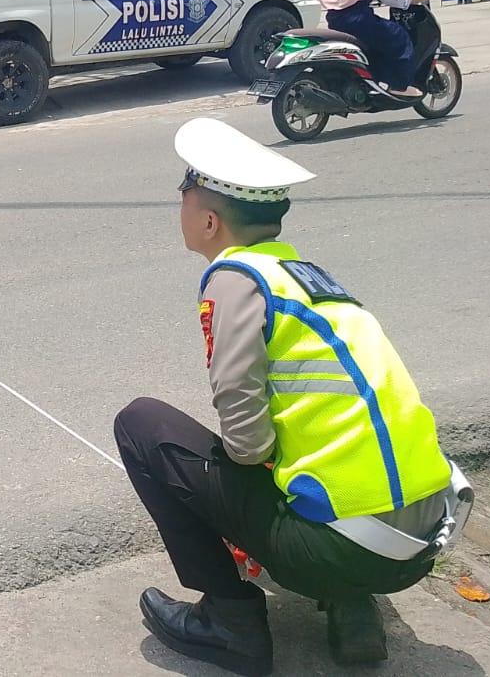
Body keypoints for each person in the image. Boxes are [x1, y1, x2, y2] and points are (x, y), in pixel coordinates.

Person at [114, 117, 469, 677]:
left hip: (345, 547)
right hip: (421, 540)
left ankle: (230, 624)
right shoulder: (303, 276)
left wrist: (230, 517)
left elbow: (247, 443)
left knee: (141, 424)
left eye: (183, 197)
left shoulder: (234, 280)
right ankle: (353, 607)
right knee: (326, 461)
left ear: (208, 220)